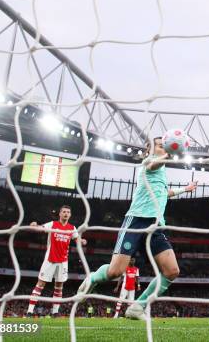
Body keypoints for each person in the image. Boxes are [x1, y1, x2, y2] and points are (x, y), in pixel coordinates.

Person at [78, 136, 197, 320]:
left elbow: (165, 193)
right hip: (136, 221)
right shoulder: (149, 162)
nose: (163, 148)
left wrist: (185, 189)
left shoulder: (162, 171)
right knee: (114, 272)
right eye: (160, 146)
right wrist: (170, 152)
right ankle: (93, 277)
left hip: (155, 226)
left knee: (172, 271)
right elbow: (153, 165)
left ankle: (137, 307)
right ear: (149, 149)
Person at [27, 205, 87, 317]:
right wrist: (34, 226)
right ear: (60, 214)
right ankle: (30, 311)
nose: (66, 214)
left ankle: (55, 312)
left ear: (70, 215)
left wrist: (82, 240)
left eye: (68, 212)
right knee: (40, 284)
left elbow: (77, 238)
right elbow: (41, 228)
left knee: (59, 287)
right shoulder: (52, 224)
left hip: (63, 261)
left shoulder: (72, 228)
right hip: (50, 260)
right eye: (64, 212)